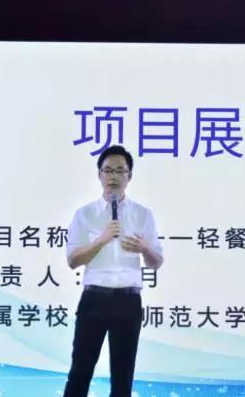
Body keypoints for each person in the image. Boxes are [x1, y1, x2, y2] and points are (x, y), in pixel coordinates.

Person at [63, 145, 164, 397]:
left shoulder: (143, 215)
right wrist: (102, 239)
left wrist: (144, 248)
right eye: (108, 170)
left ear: (129, 176)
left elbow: (156, 262)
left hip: (129, 302)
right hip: (94, 300)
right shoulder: (84, 214)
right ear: (99, 175)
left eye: (120, 171)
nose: (113, 176)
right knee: (80, 372)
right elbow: (73, 260)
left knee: (123, 379)